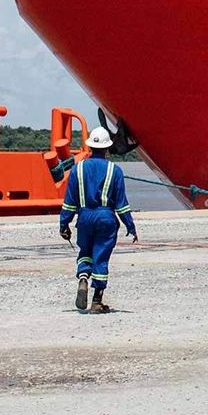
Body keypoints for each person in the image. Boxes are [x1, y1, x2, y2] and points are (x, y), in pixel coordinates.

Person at [60, 127, 138, 313]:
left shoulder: (77, 169)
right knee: (101, 256)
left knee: (85, 252)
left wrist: (64, 224)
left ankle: (83, 278)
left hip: (84, 217)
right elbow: (121, 204)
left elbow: (69, 202)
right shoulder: (115, 170)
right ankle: (97, 300)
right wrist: (130, 225)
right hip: (106, 219)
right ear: (107, 148)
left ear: (90, 146)